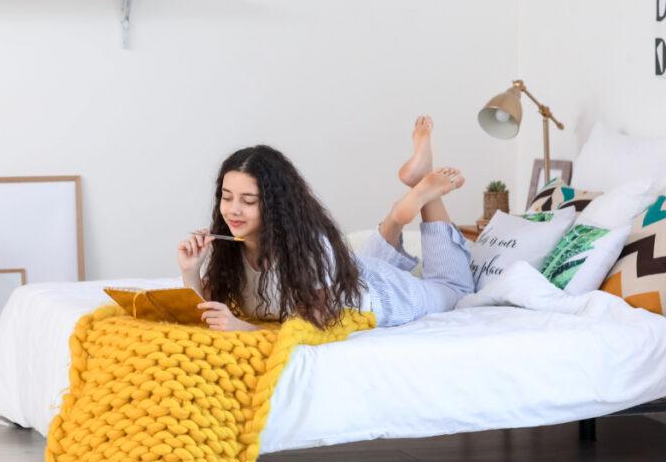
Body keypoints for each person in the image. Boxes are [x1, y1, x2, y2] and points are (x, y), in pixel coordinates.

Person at [178, 116, 476, 331]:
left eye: (248, 201)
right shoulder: (233, 250)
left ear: (276, 204)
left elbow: (314, 327)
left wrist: (244, 328)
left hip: (381, 296)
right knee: (359, 265)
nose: (233, 210)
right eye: (226, 197)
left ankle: (419, 197)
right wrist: (191, 270)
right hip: (352, 273)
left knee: (454, 290)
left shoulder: (308, 249)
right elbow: (208, 312)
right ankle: (402, 208)